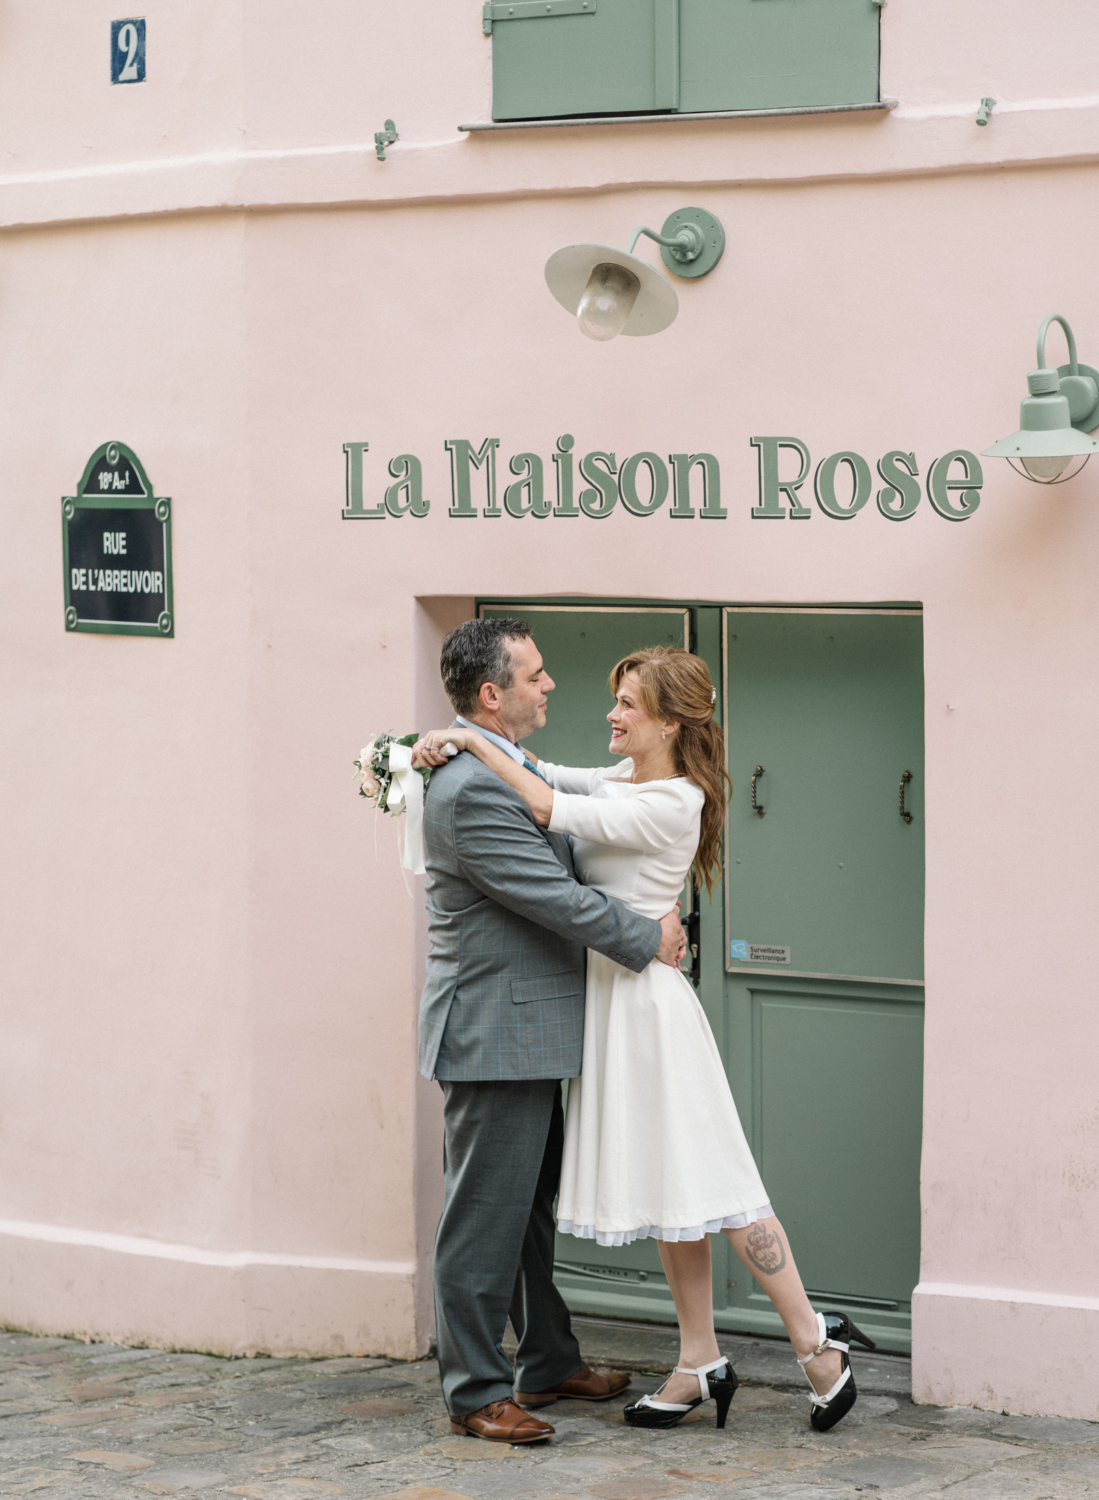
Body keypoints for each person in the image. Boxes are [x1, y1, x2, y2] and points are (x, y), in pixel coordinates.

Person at [416, 644, 875, 1434]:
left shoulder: (672, 799)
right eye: (615, 698)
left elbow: (545, 801)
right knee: (675, 1192)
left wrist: (463, 737)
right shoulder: (625, 779)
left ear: (669, 720)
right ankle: (696, 1357)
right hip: (609, 1005)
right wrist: (453, 740)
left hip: (646, 1010)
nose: (610, 711)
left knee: (717, 1181)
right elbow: (552, 774)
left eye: (627, 702)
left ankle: (816, 1347)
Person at [415, 618, 688, 1446]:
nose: (550, 686)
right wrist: (652, 940)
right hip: (495, 1031)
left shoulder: (502, 765)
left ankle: (548, 1358)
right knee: (483, 1217)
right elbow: (553, 898)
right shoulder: (473, 791)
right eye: (536, 676)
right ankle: (473, 1391)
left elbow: (594, 795)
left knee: (528, 1208)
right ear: (492, 694)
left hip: (527, 1027)